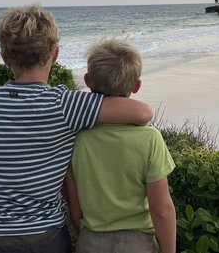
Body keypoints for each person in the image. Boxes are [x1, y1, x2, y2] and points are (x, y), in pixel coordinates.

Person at [0, 6, 153, 253]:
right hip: (44, 235)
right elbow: (142, 113)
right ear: (56, 54)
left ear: (5, 58)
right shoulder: (64, 104)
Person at [64, 38, 176, 253]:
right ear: (136, 86)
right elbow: (161, 209)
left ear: (87, 80)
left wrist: (81, 234)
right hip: (138, 243)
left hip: (91, 240)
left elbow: (73, 202)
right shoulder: (150, 139)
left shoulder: (76, 137)